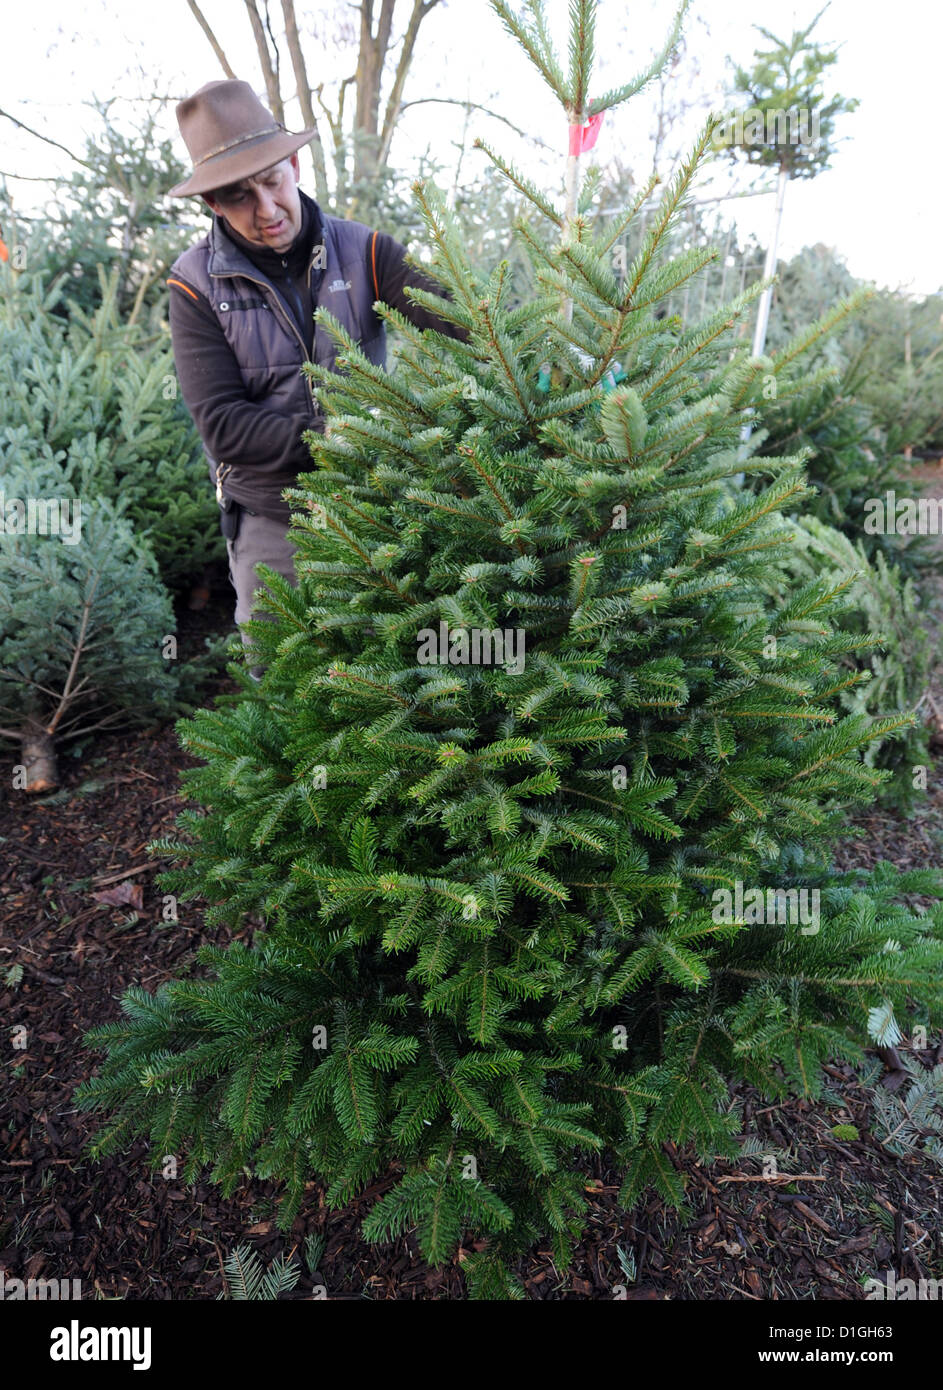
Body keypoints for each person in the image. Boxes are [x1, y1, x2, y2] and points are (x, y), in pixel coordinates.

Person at [165, 79, 467, 635]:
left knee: (384, 664)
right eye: (239, 196)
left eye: (272, 182)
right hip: (269, 514)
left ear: (295, 165)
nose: (267, 209)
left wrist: (541, 348)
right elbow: (224, 427)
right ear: (212, 202)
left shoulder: (367, 251)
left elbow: (460, 320)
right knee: (281, 670)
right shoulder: (194, 286)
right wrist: (330, 438)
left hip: (373, 504)